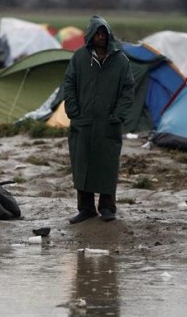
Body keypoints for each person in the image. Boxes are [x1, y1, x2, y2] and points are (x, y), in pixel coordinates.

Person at [63, 15, 135, 224]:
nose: (100, 37)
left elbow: (128, 90)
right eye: (97, 33)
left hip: (108, 122)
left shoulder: (120, 61)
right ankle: (86, 208)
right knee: (82, 165)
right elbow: (69, 83)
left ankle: (107, 207)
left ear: (108, 35)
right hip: (82, 122)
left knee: (107, 165)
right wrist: (73, 110)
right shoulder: (79, 58)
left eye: (103, 33)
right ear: (90, 36)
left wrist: (118, 116)